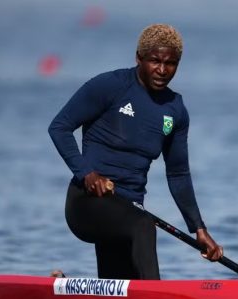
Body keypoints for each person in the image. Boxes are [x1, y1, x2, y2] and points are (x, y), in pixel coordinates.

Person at [48, 24, 223, 280]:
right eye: (155, 61)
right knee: (143, 225)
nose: (162, 70)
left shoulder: (175, 110)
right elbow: (59, 127)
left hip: (129, 209)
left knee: (120, 289)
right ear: (138, 57)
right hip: (87, 204)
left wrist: (198, 227)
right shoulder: (110, 86)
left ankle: (67, 292)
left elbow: (178, 174)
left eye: (171, 63)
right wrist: (87, 174)